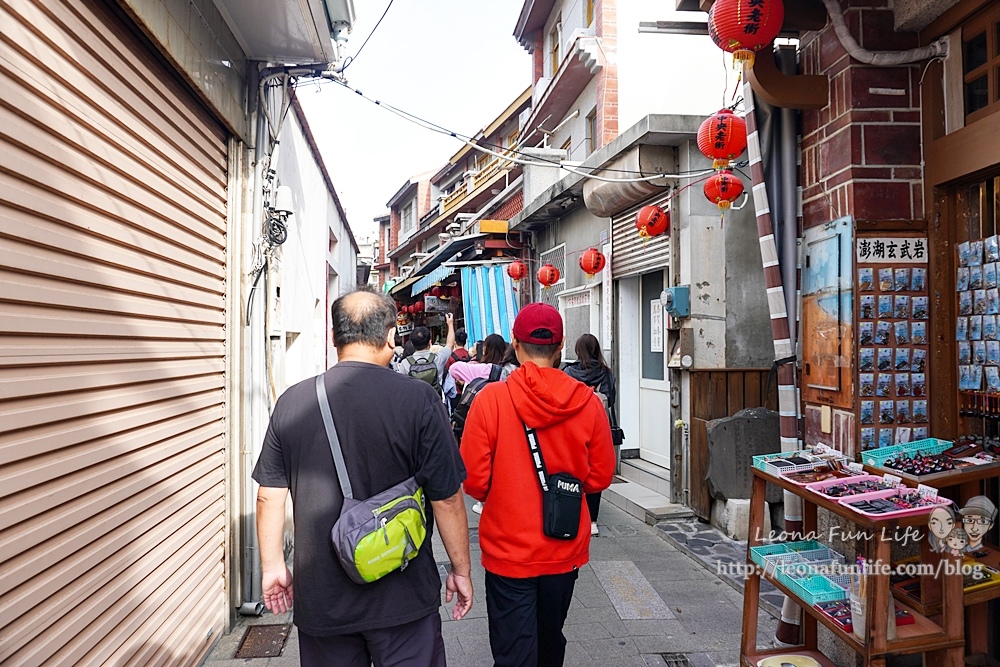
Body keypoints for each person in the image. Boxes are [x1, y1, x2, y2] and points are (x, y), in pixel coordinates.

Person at [253, 288, 473, 667]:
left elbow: (269, 496)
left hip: (324, 600)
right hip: (403, 597)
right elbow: (447, 498)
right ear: (391, 337)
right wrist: (461, 569)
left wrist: (273, 567)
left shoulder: (293, 401)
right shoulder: (419, 400)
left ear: (335, 338)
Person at [460, 302, 616, 667]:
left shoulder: (490, 401)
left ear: (516, 345)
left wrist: (502, 493)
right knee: (549, 637)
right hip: (563, 547)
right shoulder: (589, 403)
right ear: (560, 347)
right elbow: (599, 477)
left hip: (508, 549)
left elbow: (473, 480)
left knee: (514, 648)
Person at [562, 333, 617, 537]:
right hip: (598, 426)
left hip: (573, 427)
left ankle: (573, 512)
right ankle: (593, 520)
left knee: (573, 469)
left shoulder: (568, 371)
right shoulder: (606, 373)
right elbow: (610, 400)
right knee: (594, 469)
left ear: (577, 350)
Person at [397, 315, 456, 396]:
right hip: (435, 403)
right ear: (429, 343)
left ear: (412, 344)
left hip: (415, 404)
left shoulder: (405, 363)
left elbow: (400, 387)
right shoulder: (438, 358)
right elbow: (450, 344)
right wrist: (450, 324)